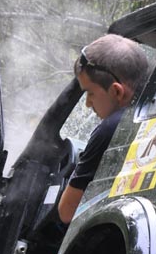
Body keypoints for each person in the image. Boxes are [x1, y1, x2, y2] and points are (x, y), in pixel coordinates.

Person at [56, 33, 150, 224]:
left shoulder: (110, 129)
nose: (88, 104)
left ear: (117, 91)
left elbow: (67, 212)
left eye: (90, 93)